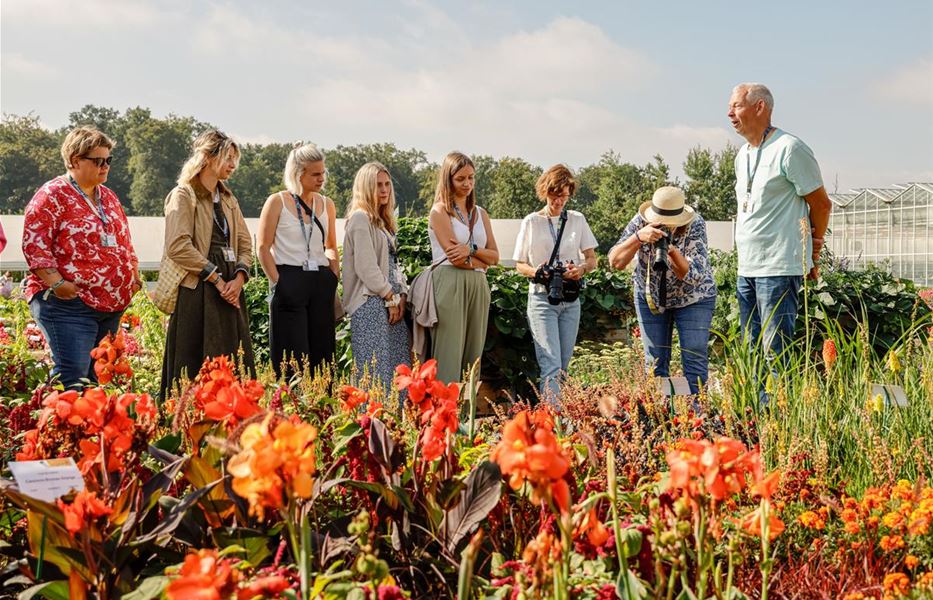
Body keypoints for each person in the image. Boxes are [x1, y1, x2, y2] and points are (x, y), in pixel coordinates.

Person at [22, 126, 142, 389]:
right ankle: (60, 429)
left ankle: (92, 432)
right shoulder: (52, 194)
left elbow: (124, 240)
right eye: (98, 161)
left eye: (108, 160)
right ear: (75, 160)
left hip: (109, 307)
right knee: (72, 378)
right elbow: (35, 245)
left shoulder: (108, 197)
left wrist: (133, 273)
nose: (105, 166)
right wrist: (58, 284)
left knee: (98, 382)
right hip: (69, 306)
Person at [727, 83, 831, 360]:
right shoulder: (742, 154)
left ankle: (780, 405)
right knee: (751, 349)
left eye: (736, 105)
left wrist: (813, 249)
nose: (729, 113)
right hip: (747, 266)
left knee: (775, 350)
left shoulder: (790, 148)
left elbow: (821, 204)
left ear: (759, 107)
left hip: (778, 266)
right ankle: (757, 405)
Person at [160, 130, 254, 398]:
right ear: (208, 157)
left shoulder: (228, 198)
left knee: (233, 363)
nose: (233, 165)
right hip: (198, 289)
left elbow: (245, 245)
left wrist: (238, 279)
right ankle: (188, 422)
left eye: (235, 159)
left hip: (230, 290)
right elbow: (178, 246)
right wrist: (216, 278)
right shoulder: (183, 194)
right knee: (193, 365)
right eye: (228, 158)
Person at [609, 186, 717, 395]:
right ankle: (662, 418)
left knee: (694, 356)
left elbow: (693, 276)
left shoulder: (695, 224)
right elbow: (615, 261)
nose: (667, 227)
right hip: (651, 296)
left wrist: (672, 251)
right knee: (655, 362)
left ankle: (697, 417)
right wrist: (638, 238)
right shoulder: (640, 222)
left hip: (694, 298)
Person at [513, 164, 597, 404]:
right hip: (542, 298)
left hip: (570, 299)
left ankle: (559, 420)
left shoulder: (577, 220)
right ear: (545, 191)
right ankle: (553, 422)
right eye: (555, 195)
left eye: (564, 196)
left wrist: (579, 269)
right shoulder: (531, 222)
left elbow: (592, 260)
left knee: (563, 367)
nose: (559, 201)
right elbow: (519, 264)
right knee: (551, 363)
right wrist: (538, 272)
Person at [256, 143, 339, 379]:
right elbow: (262, 247)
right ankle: (291, 409)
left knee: (323, 355)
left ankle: (323, 408)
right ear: (297, 173)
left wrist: (333, 275)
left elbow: (331, 246)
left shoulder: (327, 204)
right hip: (289, 279)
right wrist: (278, 282)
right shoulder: (277, 202)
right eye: (315, 174)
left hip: (320, 283)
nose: (321, 178)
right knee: (290, 357)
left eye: (323, 172)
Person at [428, 152, 499, 384]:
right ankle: (444, 414)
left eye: (471, 178)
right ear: (448, 179)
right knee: (449, 352)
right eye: (461, 179)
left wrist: (471, 249)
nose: (467, 183)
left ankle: (468, 414)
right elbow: (454, 258)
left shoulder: (481, 214)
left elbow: (495, 257)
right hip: (449, 281)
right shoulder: (440, 211)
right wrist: (480, 259)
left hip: (478, 284)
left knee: (473, 356)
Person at [341, 162, 412, 396]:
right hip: (371, 303)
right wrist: (390, 296)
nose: (384, 190)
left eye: (387, 184)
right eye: (377, 185)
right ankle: (370, 428)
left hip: (389, 301)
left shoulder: (382, 221)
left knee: (397, 370)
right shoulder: (360, 218)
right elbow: (366, 267)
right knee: (374, 375)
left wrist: (400, 294)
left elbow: (393, 264)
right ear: (365, 188)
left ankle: (395, 429)